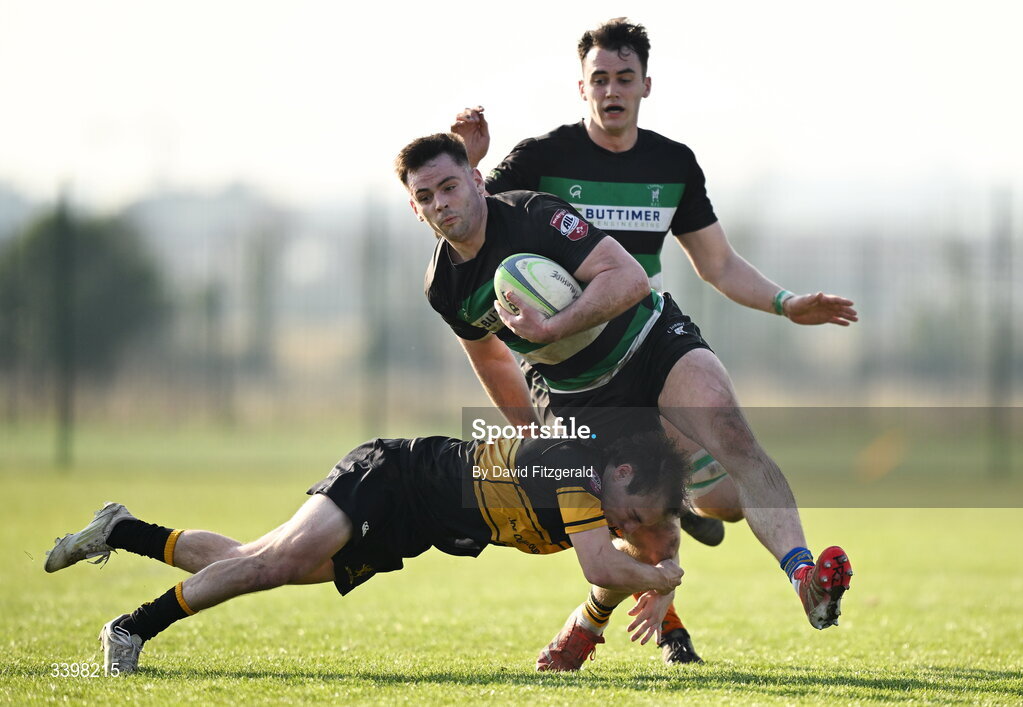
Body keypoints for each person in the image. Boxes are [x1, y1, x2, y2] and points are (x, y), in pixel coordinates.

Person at [449, 17, 858, 661]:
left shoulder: (672, 163)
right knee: (645, 508)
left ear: (646, 85)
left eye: (624, 79)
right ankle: (638, 621)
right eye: (599, 80)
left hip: (651, 340)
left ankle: (804, 576)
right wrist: (469, 163)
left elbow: (717, 264)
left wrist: (786, 303)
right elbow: (461, 226)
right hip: (575, 372)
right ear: (580, 88)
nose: (612, 91)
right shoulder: (542, 159)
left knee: (732, 450)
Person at [44, 432, 687, 675]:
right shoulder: (574, 469)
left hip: (409, 526)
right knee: (269, 568)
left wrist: (660, 582)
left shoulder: (605, 492)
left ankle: (120, 530)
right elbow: (607, 568)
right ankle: (131, 629)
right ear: (622, 469)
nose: (624, 524)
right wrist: (658, 580)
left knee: (250, 558)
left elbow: (639, 548)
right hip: (393, 480)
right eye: (629, 511)